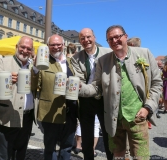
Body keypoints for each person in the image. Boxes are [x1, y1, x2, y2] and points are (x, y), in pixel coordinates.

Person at [79, 25, 162, 159]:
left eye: (117, 37)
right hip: (114, 120)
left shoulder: (144, 54)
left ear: (125, 36)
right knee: (117, 156)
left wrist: (148, 107)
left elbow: (157, 84)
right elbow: (96, 87)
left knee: (141, 157)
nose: (114, 41)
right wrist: (80, 88)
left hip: (138, 117)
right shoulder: (103, 61)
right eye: (110, 39)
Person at [33, 34, 78, 160]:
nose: (56, 47)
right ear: (48, 46)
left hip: (70, 111)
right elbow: (34, 85)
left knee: (67, 146)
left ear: (63, 45)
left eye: (59, 44)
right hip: (50, 111)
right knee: (50, 147)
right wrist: (35, 68)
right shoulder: (43, 63)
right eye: (53, 45)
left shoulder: (71, 62)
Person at [71, 28, 113, 160]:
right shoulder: (76, 58)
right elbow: (79, 81)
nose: (86, 40)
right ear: (80, 41)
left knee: (108, 134)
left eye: (88, 37)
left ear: (94, 38)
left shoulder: (108, 53)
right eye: (82, 38)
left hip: (105, 99)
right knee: (87, 135)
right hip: (86, 99)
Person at [0, 36, 35, 160]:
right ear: (17, 47)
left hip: (27, 116)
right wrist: (6, 80)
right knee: (4, 153)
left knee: (21, 151)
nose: (25, 50)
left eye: (29, 48)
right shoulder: (3, 62)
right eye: (23, 47)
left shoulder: (33, 66)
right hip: (7, 114)